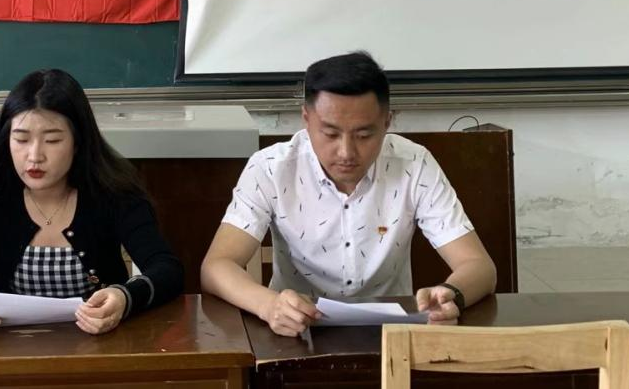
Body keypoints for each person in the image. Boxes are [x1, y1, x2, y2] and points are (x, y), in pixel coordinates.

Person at [200, 51, 496, 337]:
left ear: (387, 122)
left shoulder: (414, 164)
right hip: (295, 331)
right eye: (330, 134)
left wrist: (452, 295)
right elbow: (216, 266)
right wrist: (268, 305)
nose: (346, 152)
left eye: (364, 135)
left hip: (391, 334)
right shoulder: (271, 168)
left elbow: (479, 266)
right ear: (306, 119)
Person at [0, 68, 183, 337]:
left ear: (78, 142)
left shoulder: (115, 194)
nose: (34, 156)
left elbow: (168, 270)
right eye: (21, 139)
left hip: (101, 343)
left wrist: (125, 297)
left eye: (52, 140)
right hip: (10, 349)